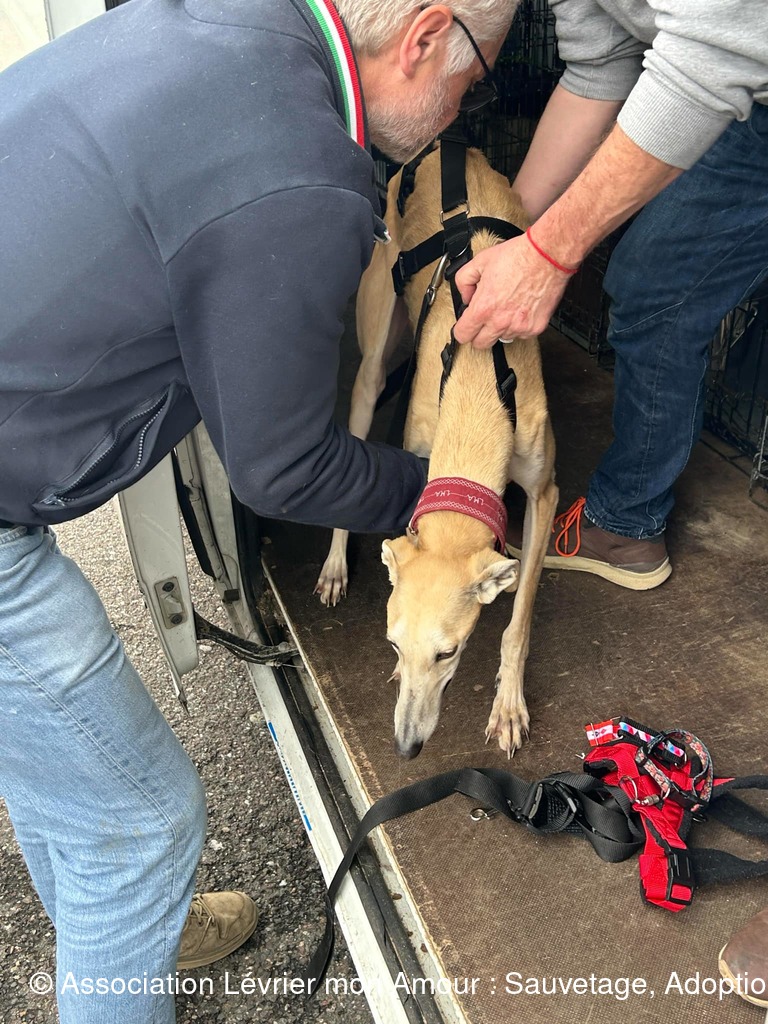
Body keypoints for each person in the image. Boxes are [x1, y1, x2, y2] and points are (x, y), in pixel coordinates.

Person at [0, 1, 515, 1021]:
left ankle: (121, 931)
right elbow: (281, 471)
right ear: (423, 37)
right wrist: (437, 496)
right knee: (141, 828)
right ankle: (128, 900)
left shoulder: (218, 21)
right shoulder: (301, 178)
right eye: (473, 80)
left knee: (70, 777)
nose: (463, 108)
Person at [454, 0, 768, 591]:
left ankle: (625, 525)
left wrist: (546, 255)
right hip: (743, 84)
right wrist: (501, 231)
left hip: (740, 73)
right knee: (651, 278)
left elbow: (717, 50)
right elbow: (598, 68)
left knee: (657, 289)